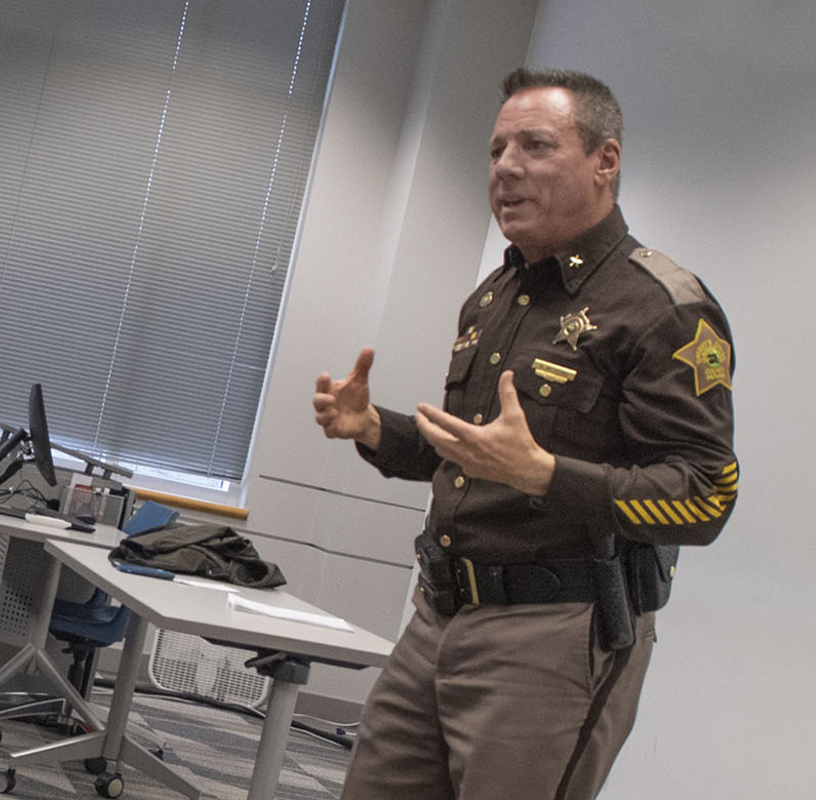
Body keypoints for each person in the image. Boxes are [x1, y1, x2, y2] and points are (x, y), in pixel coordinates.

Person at [313, 68, 737, 800]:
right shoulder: (495, 295)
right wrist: (375, 428)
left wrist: (544, 475)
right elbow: (476, 458)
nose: (506, 167)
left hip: (554, 637)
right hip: (439, 615)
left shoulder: (663, 308)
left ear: (605, 160)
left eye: (536, 146)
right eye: (497, 149)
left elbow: (704, 498)